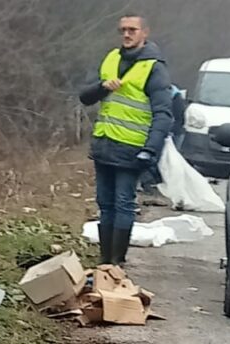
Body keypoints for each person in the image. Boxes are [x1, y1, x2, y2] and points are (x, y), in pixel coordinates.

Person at [79, 14, 173, 266]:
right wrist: (102, 86)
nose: (127, 34)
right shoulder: (111, 58)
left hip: (132, 148)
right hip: (105, 144)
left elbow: (164, 114)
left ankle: (116, 262)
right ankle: (104, 261)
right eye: (123, 30)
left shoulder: (154, 68)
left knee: (123, 204)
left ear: (145, 33)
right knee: (104, 204)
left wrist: (151, 149)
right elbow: (85, 96)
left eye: (132, 30)